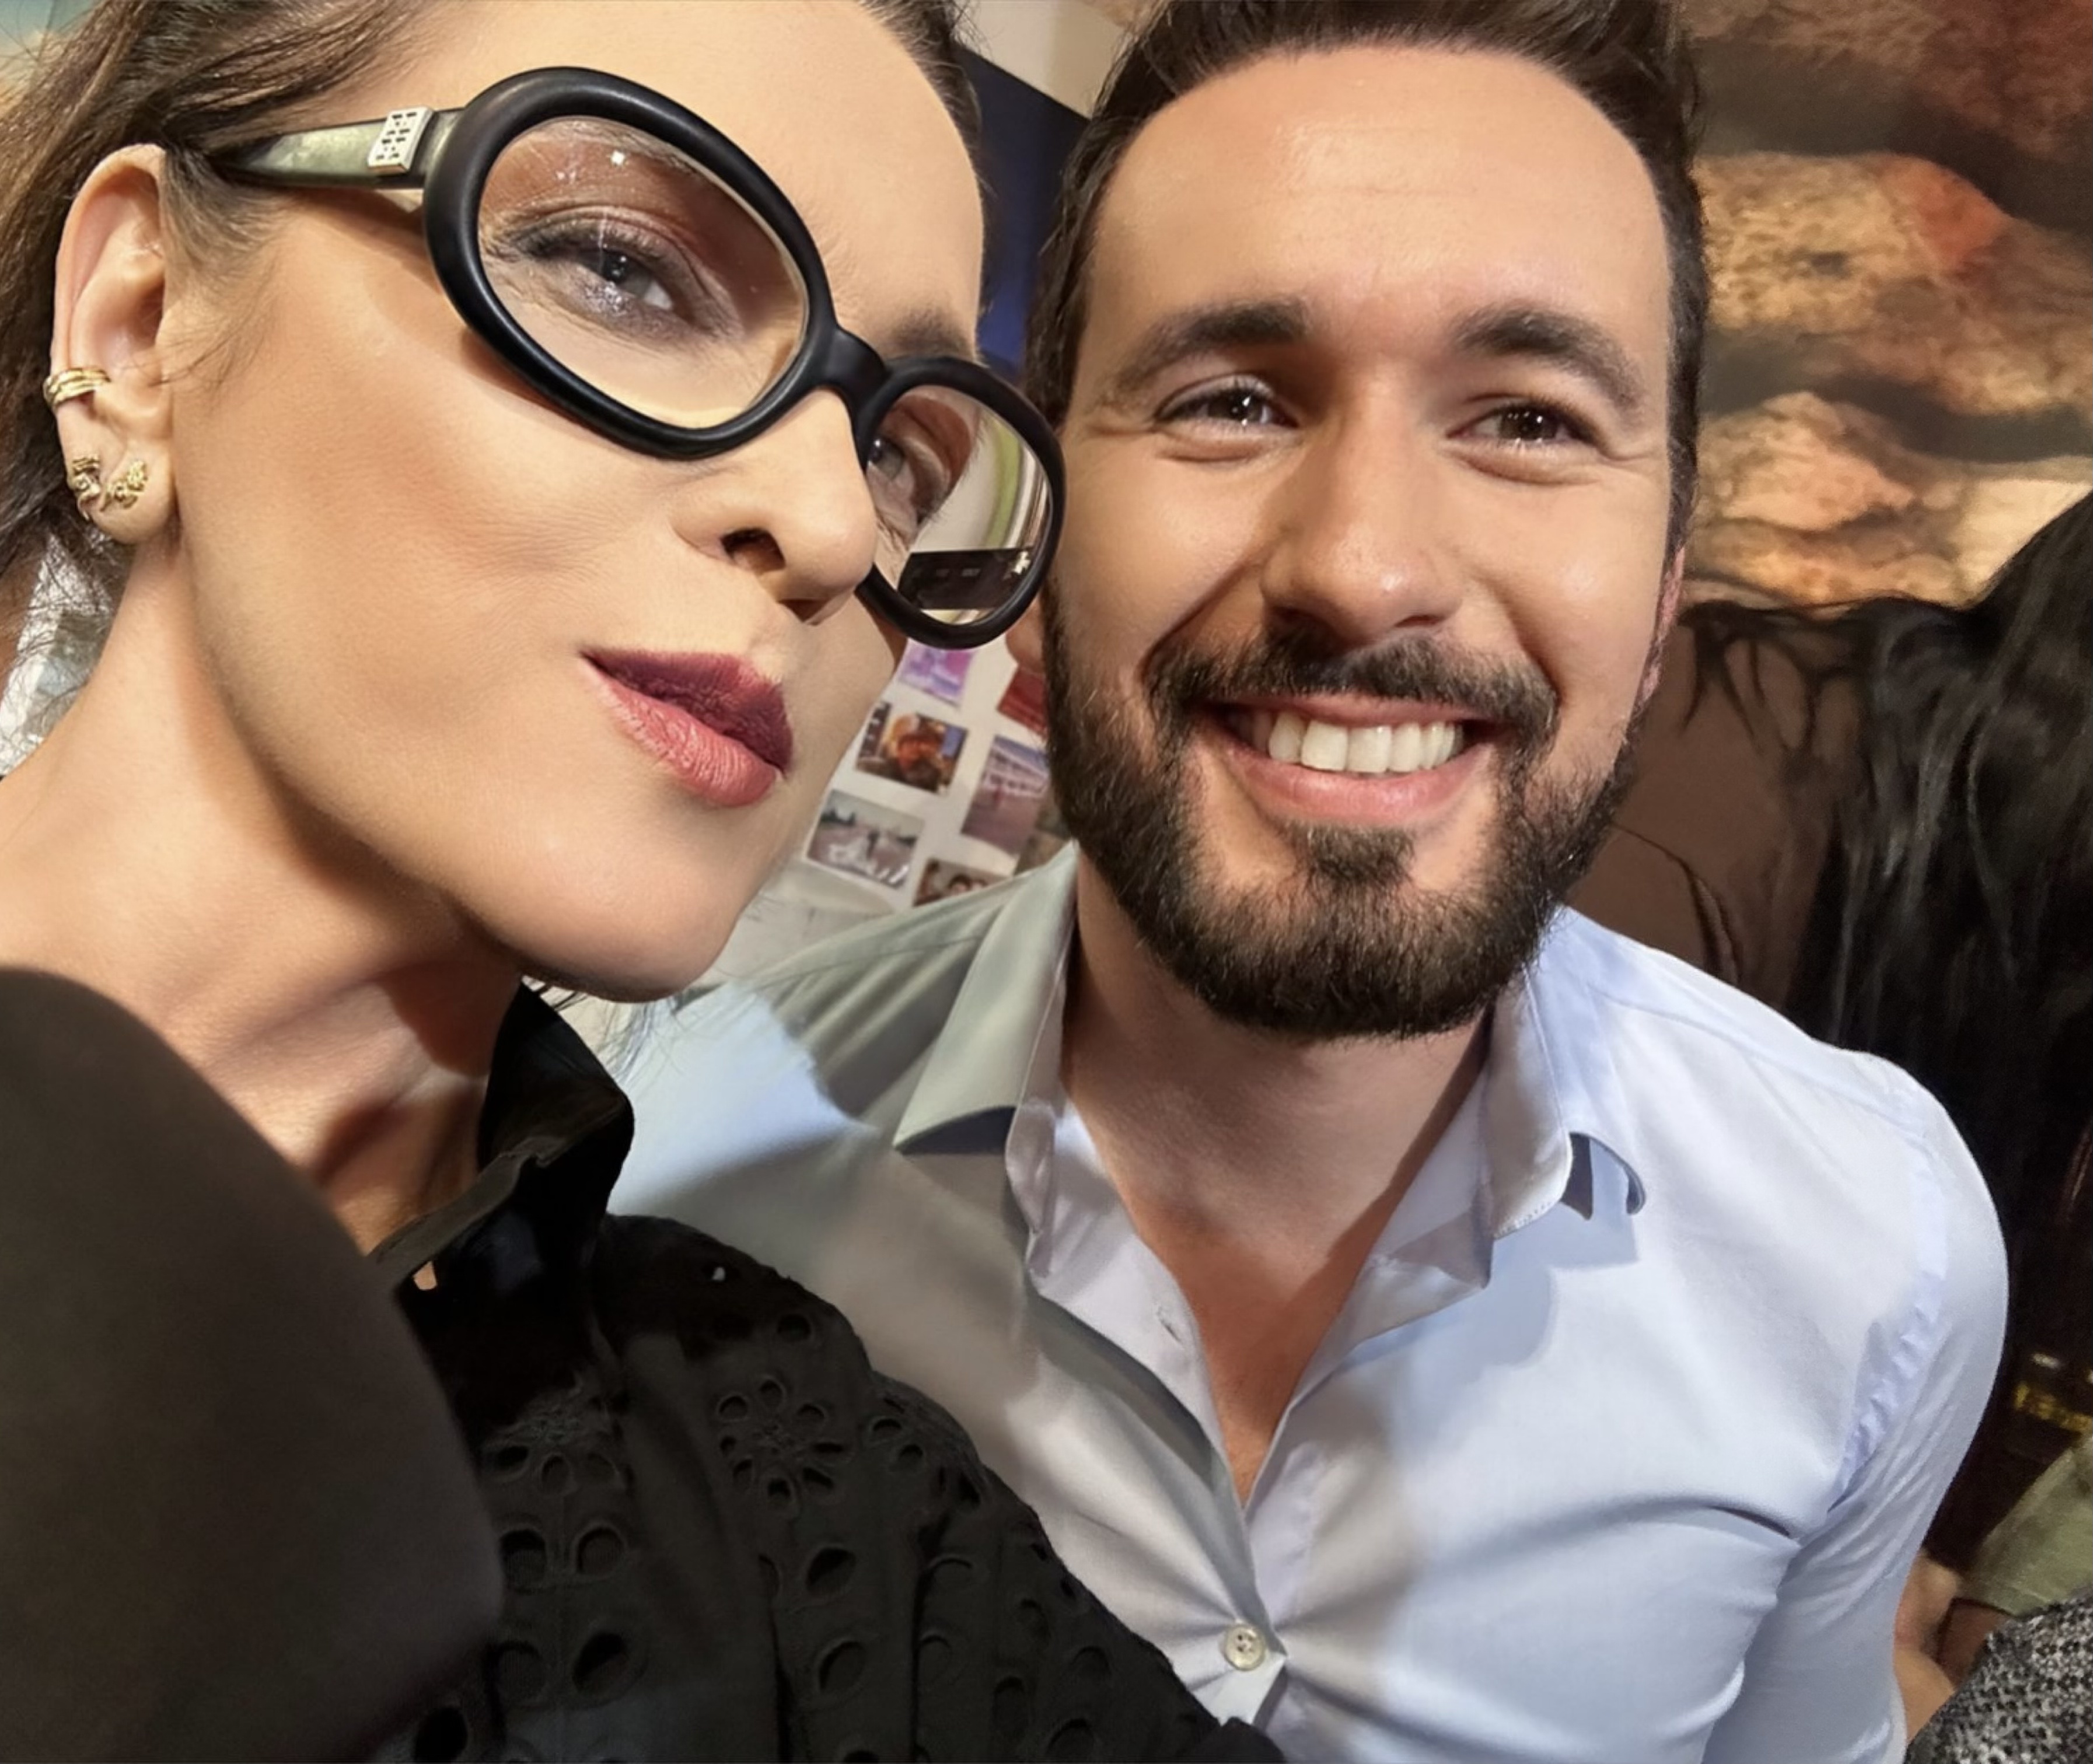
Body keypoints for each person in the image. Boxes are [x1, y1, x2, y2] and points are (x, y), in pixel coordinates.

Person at [615, 2, 2010, 1759]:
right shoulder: (669, 1172)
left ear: (1664, 596)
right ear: (1032, 548)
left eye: (1527, 420)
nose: (1359, 567)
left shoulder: (1872, 1248)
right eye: (1232, 402)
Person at [0, 2, 1276, 1759]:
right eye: (622, 268)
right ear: (142, 324)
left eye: (897, 453)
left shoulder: (808, 1499)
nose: (831, 528)